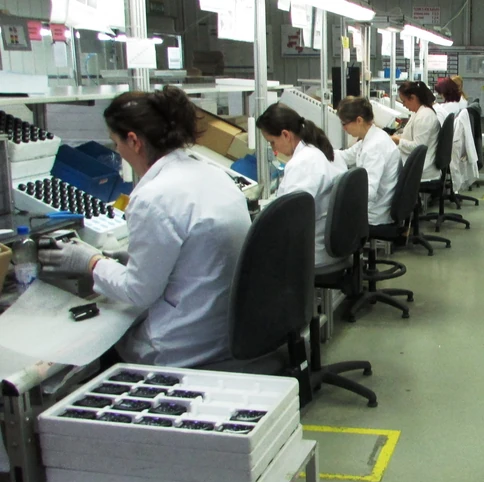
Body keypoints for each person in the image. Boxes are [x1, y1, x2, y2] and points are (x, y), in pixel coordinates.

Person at [39, 86, 251, 367]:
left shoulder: (154, 198)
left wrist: (91, 262)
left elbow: (137, 293)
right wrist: (130, 260)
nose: (117, 150)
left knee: (88, 353)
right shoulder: (213, 174)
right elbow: (193, 255)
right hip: (226, 331)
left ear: (133, 140)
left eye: (116, 142)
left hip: (182, 346)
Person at [257, 102, 344, 268]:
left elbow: (291, 218)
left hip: (313, 252)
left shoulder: (303, 163)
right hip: (330, 244)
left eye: (272, 142)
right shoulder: (314, 151)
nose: (273, 149)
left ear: (285, 135)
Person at [336, 97, 401, 225]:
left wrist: (342, 191)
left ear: (359, 120)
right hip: (379, 205)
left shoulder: (374, 147)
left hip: (375, 214)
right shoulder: (372, 136)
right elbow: (346, 156)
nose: (344, 128)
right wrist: (323, 152)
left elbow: (369, 192)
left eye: (344, 123)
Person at [391, 81, 440, 182]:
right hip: (417, 164)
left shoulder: (424, 116)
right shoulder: (419, 112)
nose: (403, 105)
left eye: (404, 101)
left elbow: (418, 148)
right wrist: (398, 138)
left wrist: (397, 140)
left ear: (413, 98)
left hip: (422, 169)